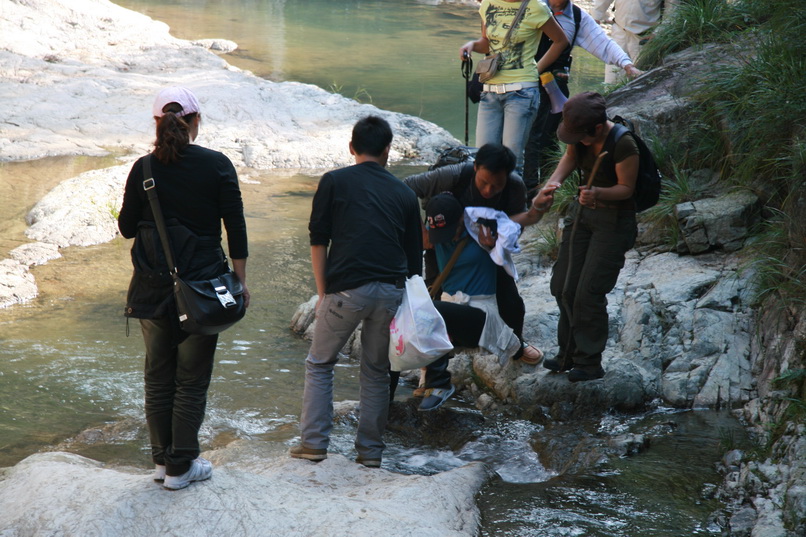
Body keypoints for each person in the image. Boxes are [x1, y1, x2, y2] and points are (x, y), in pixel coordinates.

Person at [118, 86, 250, 490]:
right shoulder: (217, 165)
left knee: (158, 377)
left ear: (157, 124)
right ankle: (182, 466)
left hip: (153, 287)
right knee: (191, 379)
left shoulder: (143, 169)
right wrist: (240, 283)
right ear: (195, 121)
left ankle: (161, 464)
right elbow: (236, 229)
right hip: (204, 288)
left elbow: (125, 228)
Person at [289, 116, 422, 468]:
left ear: (351, 148)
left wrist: (322, 295)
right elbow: (414, 262)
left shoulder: (334, 181)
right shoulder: (405, 193)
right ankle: (370, 454)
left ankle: (314, 444)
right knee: (376, 371)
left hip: (346, 291)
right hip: (390, 291)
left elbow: (319, 240)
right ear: (387, 151)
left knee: (320, 364)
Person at [404, 143, 547, 364]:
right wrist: (421, 231)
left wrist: (496, 241)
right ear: (475, 167)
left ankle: (516, 345)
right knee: (434, 295)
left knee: (510, 300)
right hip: (442, 240)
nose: (488, 191)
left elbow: (514, 225)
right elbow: (403, 189)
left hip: (482, 245)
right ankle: (433, 370)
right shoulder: (452, 175)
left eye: (496, 186)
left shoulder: (514, 186)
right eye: (483, 182)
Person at [419, 191, 552, 411]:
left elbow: (510, 294)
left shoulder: (484, 234)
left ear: (462, 219)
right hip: (450, 314)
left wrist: (492, 247)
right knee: (408, 310)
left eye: (452, 232)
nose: (448, 239)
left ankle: (439, 385)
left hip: (482, 318)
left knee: (430, 310)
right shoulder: (433, 239)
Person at [538, 91, 638, 381]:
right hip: (581, 217)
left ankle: (589, 361)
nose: (575, 141)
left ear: (595, 128)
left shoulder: (623, 144)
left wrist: (598, 193)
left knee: (588, 292)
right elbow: (569, 159)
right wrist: (551, 185)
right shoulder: (580, 140)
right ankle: (566, 352)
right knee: (562, 285)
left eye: (579, 135)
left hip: (613, 221)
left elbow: (626, 188)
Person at [522, 0, 643, 188]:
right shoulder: (528, 5)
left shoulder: (577, 18)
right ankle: (524, 188)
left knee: (548, 140)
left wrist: (627, 65)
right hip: (522, 82)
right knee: (526, 139)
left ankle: (542, 188)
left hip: (553, 88)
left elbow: (603, 44)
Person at [460, 0, 569, 172]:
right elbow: (487, 42)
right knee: (482, 161)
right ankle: (488, 199)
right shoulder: (487, 3)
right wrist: (472, 45)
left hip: (522, 93)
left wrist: (536, 69)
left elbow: (561, 41)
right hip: (489, 92)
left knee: (512, 163)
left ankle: (515, 199)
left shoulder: (537, 7)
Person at [593, 0, 675, 83]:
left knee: (641, 81)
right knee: (612, 80)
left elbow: (673, 12)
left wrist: (657, 33)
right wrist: (595, 18)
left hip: (645, 39)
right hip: (619, 31)